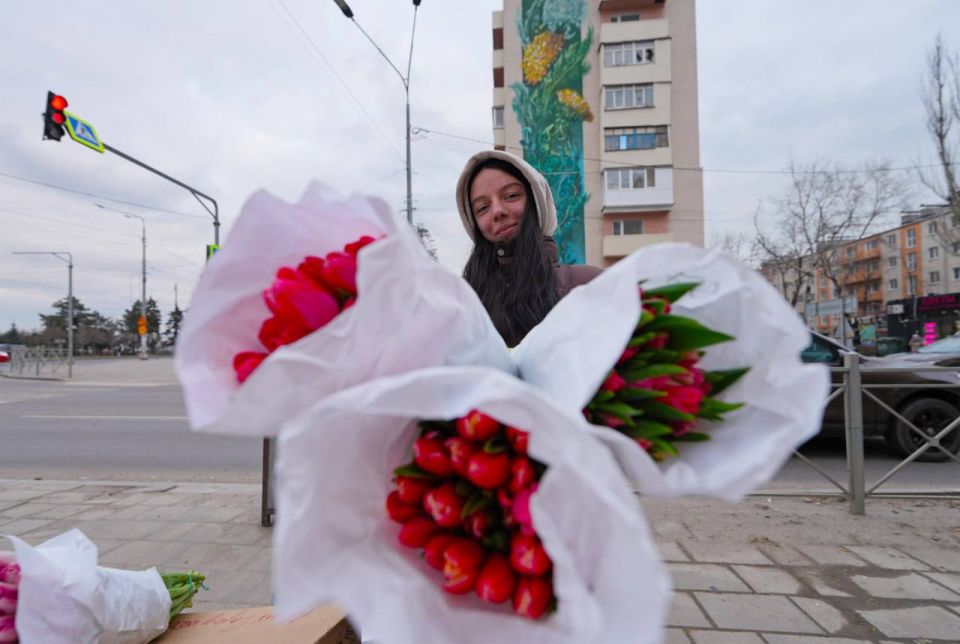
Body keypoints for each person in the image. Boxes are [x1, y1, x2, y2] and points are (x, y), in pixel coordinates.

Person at [455, 150, 603, 347]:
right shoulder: (462, 305)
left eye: (511, 195)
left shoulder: (591, 285)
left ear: (537, 200)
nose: (497, 211)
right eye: (482, 208)